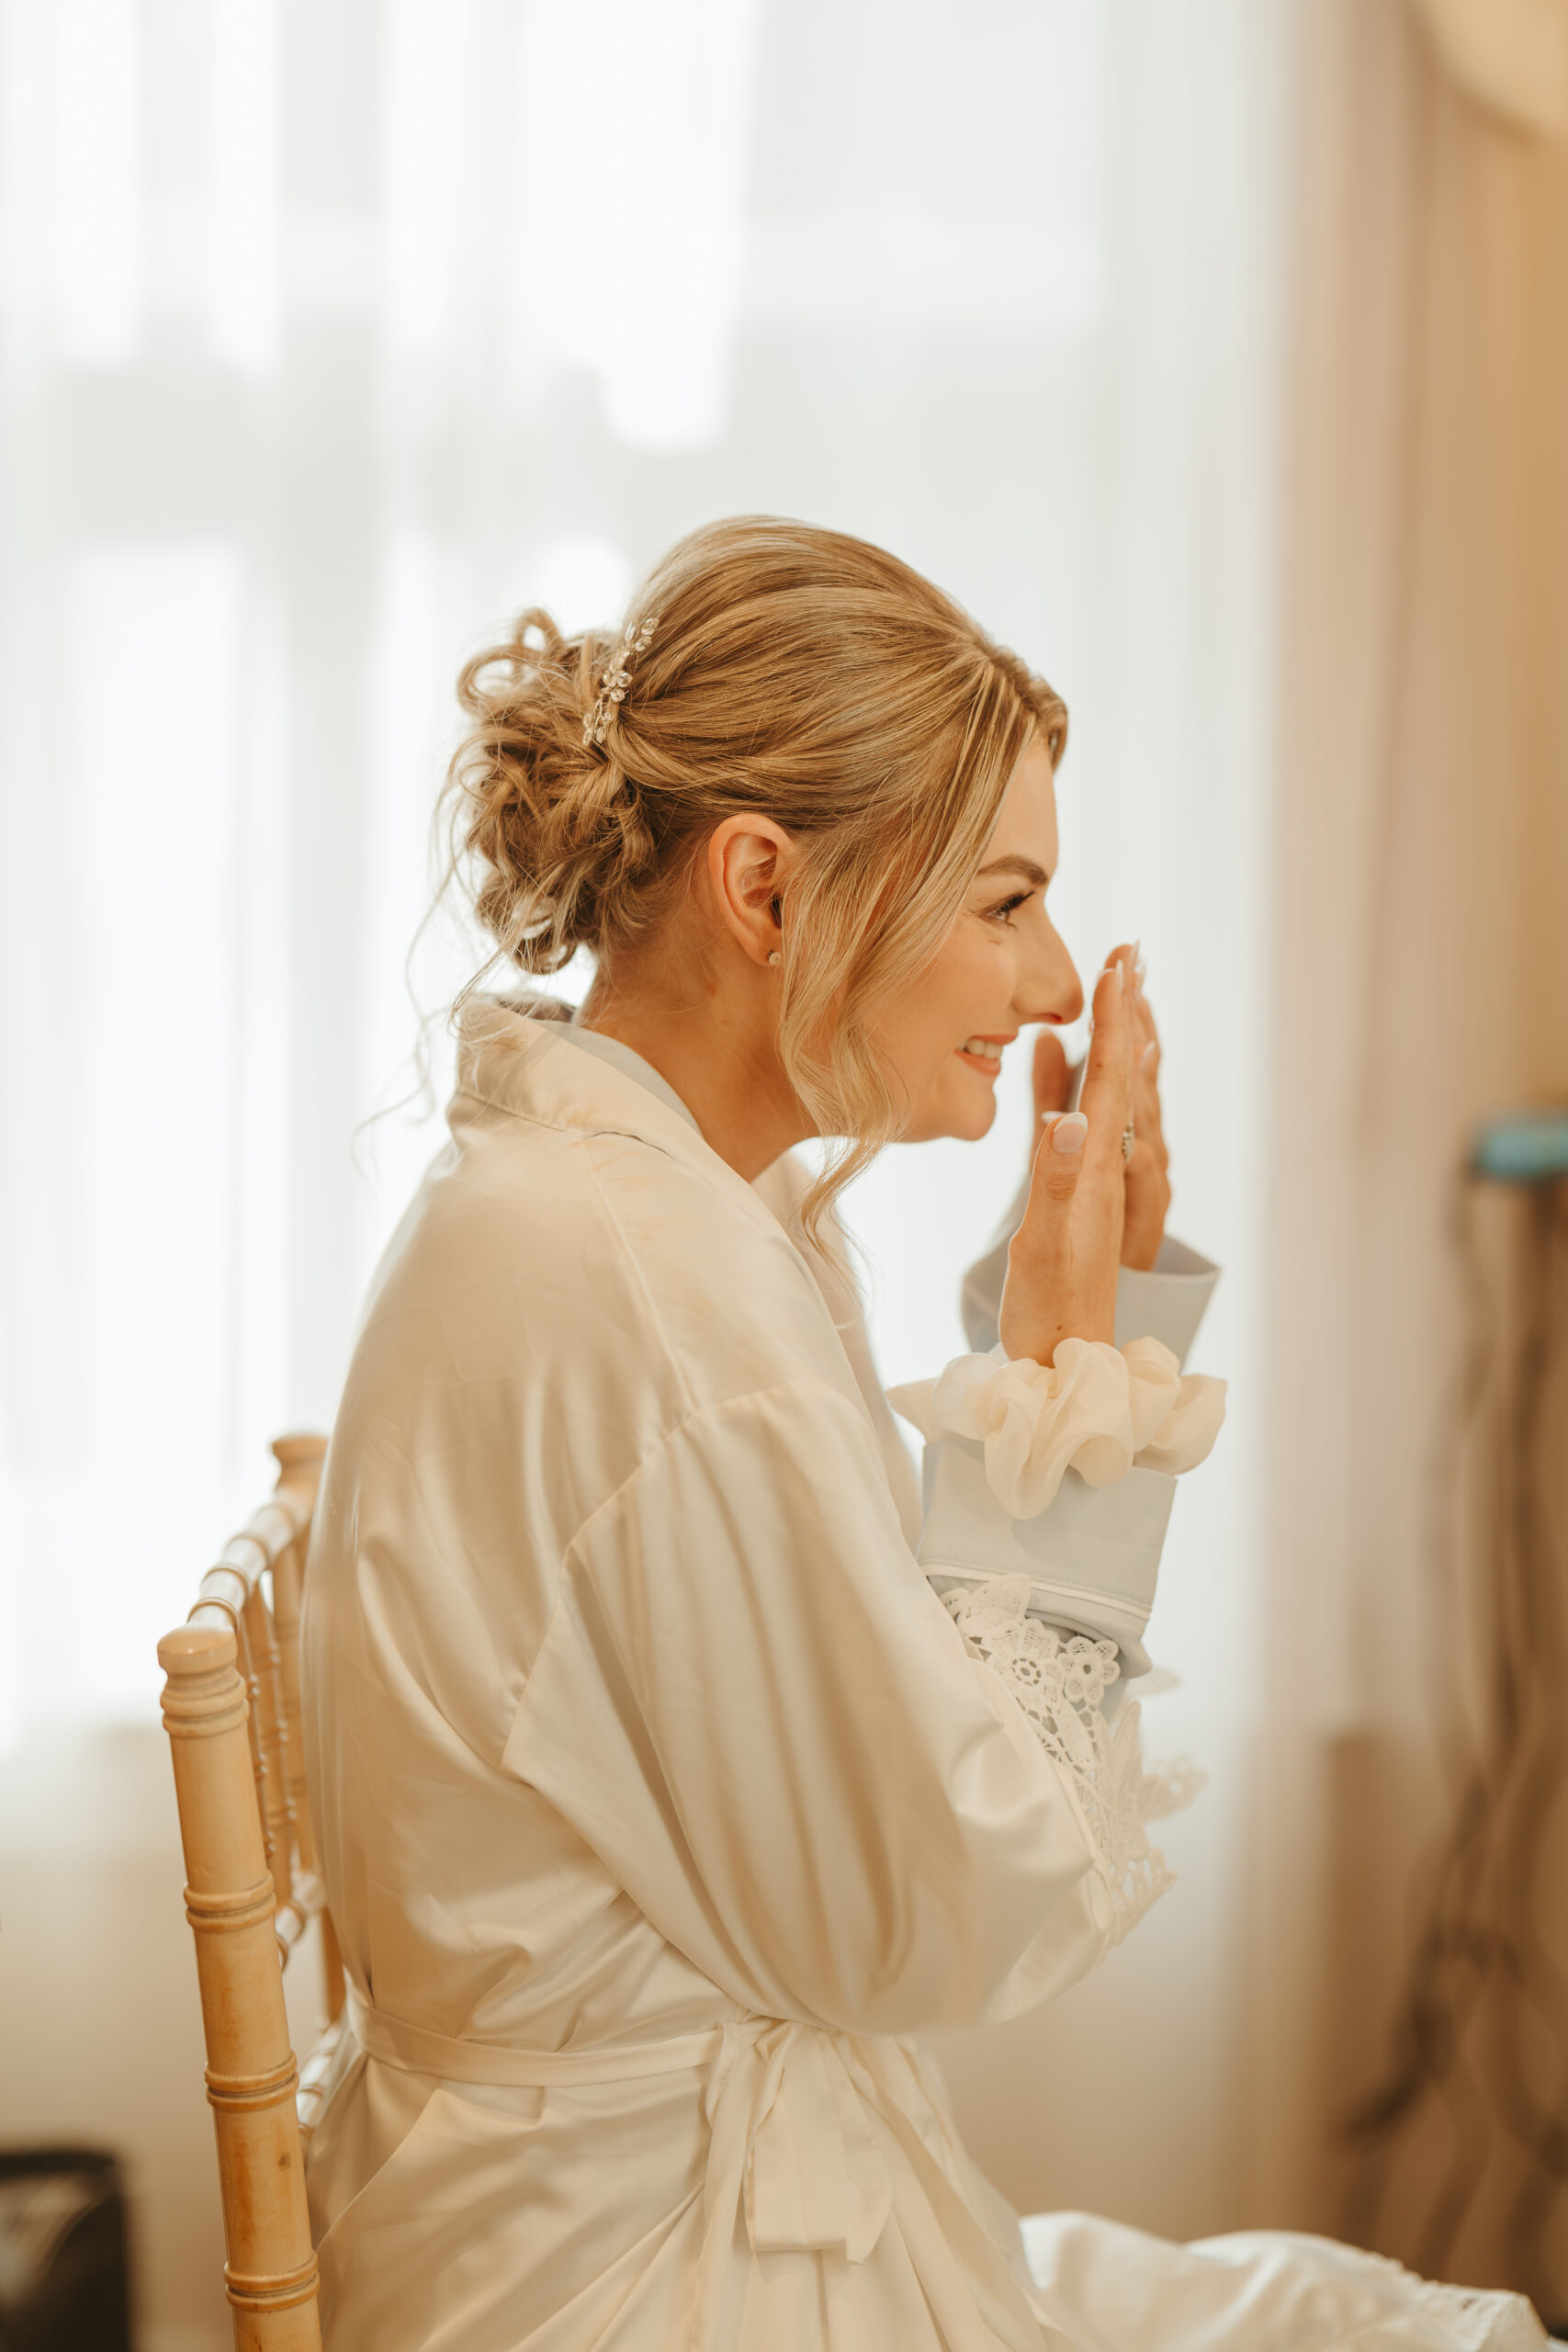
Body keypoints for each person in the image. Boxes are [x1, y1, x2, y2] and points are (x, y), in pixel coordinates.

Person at [301, 517, 1551, 2351]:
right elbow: (937, 1908)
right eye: (999, 899)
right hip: (642, 2287)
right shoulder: (647, 1283)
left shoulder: (658, 1220)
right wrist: (1062, 1391)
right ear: (763, 888)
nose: (1051, 983)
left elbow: (851, 1735)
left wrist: (1034, 1349)